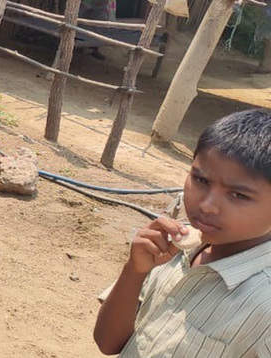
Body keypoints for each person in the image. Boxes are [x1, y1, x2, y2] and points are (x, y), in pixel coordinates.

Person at [94, 110, 271, 357]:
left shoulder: (264, 305)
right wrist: (134, 271)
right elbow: (108, 343)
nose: (207, 205)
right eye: (200, 180)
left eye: (238, 195)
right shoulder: (172, 247)